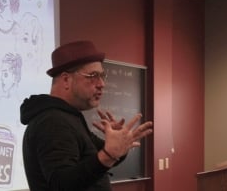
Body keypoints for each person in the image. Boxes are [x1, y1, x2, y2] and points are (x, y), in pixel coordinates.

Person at [20, 40, 153, 191]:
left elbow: (98, 158)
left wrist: (118, 145)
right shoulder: (52, 121)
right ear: (66, 80)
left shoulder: (69, 117)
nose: (102, 84)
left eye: (102, 76)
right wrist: (108, 155)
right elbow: (61, 184)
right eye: (93, 75)